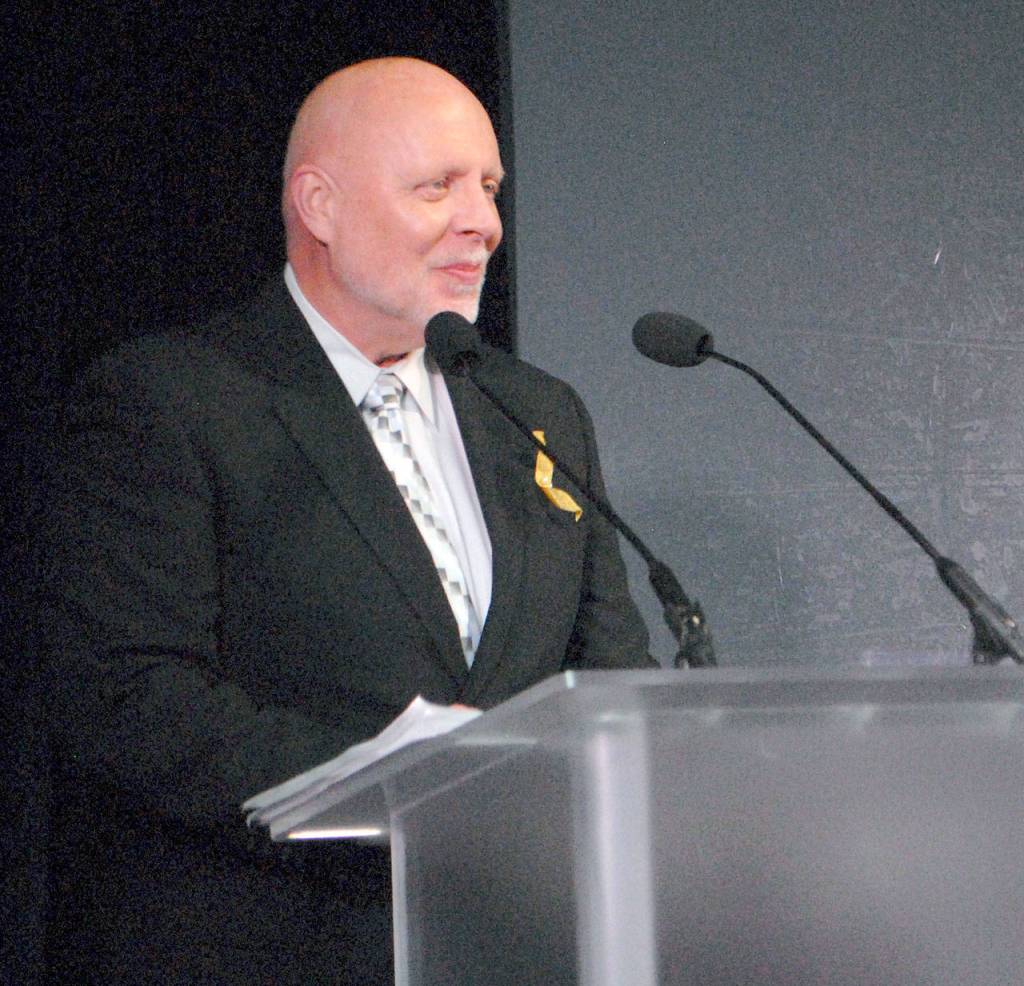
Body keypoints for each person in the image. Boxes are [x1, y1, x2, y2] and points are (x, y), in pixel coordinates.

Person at [34, 57, 655, 984]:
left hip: (510, 947)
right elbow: (127, 695)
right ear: (319, 205)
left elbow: (610, 677)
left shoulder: (536, 413)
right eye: (437, 186)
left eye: (489, 188)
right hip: (273, 945)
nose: (483, 222)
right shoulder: (174, 399)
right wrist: (400, 786)